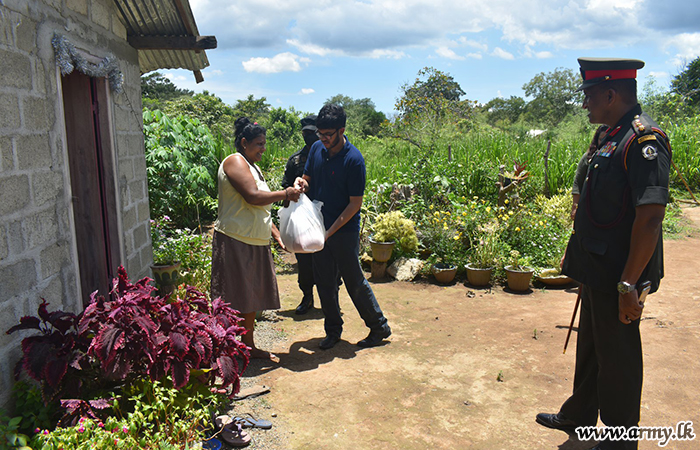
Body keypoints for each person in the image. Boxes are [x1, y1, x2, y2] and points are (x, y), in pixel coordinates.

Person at [536, 58, 672, 450]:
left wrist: (629, 283)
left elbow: (649, 220)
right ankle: (578, 415)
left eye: (590, 96)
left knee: (619, 359)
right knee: (592, 346)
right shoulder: (610, 136)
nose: (585, 105)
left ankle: (619, 440)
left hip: (620, 273)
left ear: (611, 95)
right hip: (599, 266)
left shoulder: (644, 141)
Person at [294, 104, 391, 350]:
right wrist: (301, 183)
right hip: (319, 228)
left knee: (353, 280)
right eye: (320, 134)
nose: (323, 139)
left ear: (342, 130)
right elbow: (308, 178)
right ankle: (333, 330)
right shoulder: (316, 148)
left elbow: (354, 205)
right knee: (324, 280)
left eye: (328, 134)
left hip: (343, 230)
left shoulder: (354, 160)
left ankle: (379, 327)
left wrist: (329, 233)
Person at [210, 118, 302, 360]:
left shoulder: (252, 166)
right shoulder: (234, 162)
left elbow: (259, 207)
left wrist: (275, 233)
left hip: (254, 240)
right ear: (244, 142)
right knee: (231, 296)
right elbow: (252, 196)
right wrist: (286, 194)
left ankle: (247, 345)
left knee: (250, 296)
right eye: (259, 144)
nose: (263, 148)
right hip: (235, 240)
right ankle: (222, 348)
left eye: (264, 143)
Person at [281, 115, 321, 315]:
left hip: (324, 218)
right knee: (304, 261)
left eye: (312, 133)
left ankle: (331, 300)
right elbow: (285, 189)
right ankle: (307, 297)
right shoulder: (296, 160)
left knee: (327, 262)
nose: (308, 137)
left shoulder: (329, 156)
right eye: (305, 133)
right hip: (303, 220)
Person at [571, 125, 608, 220]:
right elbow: (578, 182)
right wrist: (575, 206)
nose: (603, 143)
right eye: (601, 139)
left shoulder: (616, 158)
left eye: (607, 139)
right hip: (587, 204)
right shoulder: (588, 157)